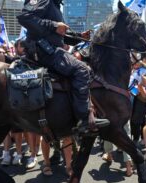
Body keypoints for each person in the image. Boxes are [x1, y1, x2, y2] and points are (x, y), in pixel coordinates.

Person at [17, 0, 108, 134]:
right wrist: (54, 25)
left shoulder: (55, 5)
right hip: (44, 51)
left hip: (50, 49)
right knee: (82, 70)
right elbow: (24, 17)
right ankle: (83, 118)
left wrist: (79, 37)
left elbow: (58, 35)